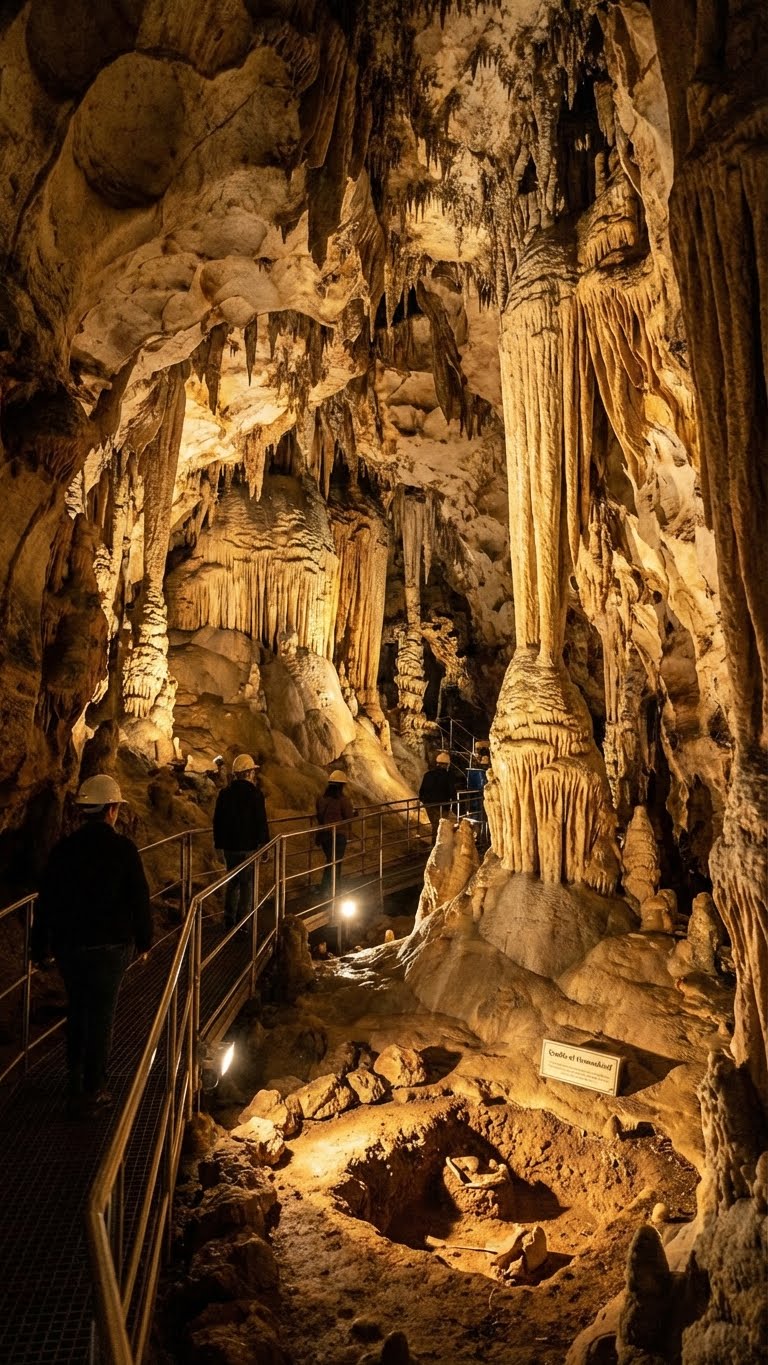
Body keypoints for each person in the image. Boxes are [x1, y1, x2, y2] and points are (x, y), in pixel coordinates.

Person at [31, 774, 152, 1118]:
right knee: (101, 1015)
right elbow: (139, 897)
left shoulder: (63, 850)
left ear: (85, 811)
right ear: (112, 809)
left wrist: (39, 947)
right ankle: (94, 1089)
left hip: (70, 946)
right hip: (111, 947)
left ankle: (73, 1081)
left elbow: (46, 901)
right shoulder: (123, 849)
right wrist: (145, 940)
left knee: (77, 1010)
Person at [213, 753, 270, 928]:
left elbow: (218, 821)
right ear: (248, 773)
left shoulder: (225, 793)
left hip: (230, 848)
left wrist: (218, 845)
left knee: (232, 882)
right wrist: (265, 845)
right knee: (247, 884)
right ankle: (243, 921)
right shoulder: (255, 794)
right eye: (252, 772)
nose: (253, 775)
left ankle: (228, 918)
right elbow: (261, 821)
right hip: (248, 847)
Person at [315, 770, 354, 899]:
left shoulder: (321, 799)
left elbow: (319, 816)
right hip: (338, 836)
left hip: (325, 836)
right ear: (341, 786)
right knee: (336, 863)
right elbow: (348, 816)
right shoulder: (343, 800)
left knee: (330, 861)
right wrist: (354, 814)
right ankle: (330, 889)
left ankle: (328, 888)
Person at [418, 750, 458, 843]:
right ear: (446, 765)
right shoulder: (448, 776)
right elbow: (452, 791)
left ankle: (435, 844)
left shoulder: (428, 774)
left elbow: (422, 791)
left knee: (435, 824)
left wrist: (424, 800)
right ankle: (437, 845)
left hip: (429, 804)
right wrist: (455, 802)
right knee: (440, 826)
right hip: (442, 805)